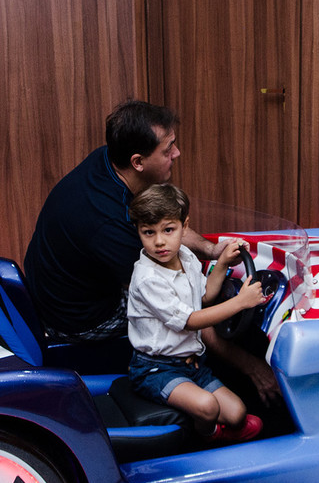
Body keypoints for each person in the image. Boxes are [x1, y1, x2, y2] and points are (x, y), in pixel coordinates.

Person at [24, 99, 279, 402]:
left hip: (62, 291)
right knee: (191, 316)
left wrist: (211, 250)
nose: (177, 153)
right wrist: (251, 365)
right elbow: (184, 311)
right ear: (138, 161)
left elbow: (160, 218)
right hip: (79, 320)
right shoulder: (110, 226)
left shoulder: (107, 160)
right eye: (168, 149)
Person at [126, 183, 266, 442]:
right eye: (148, 232)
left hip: (192, 364)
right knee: (208, 408)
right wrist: (240, 302)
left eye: (168, 230)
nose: (159, 241)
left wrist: (222, 262)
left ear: (185, 226)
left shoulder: (186, 256)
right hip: (155, 369)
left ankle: (216, 425)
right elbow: (190, 321)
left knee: (237, 413)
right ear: (138, 231)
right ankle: (204, 437)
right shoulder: (147, 278)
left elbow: (204, 297)